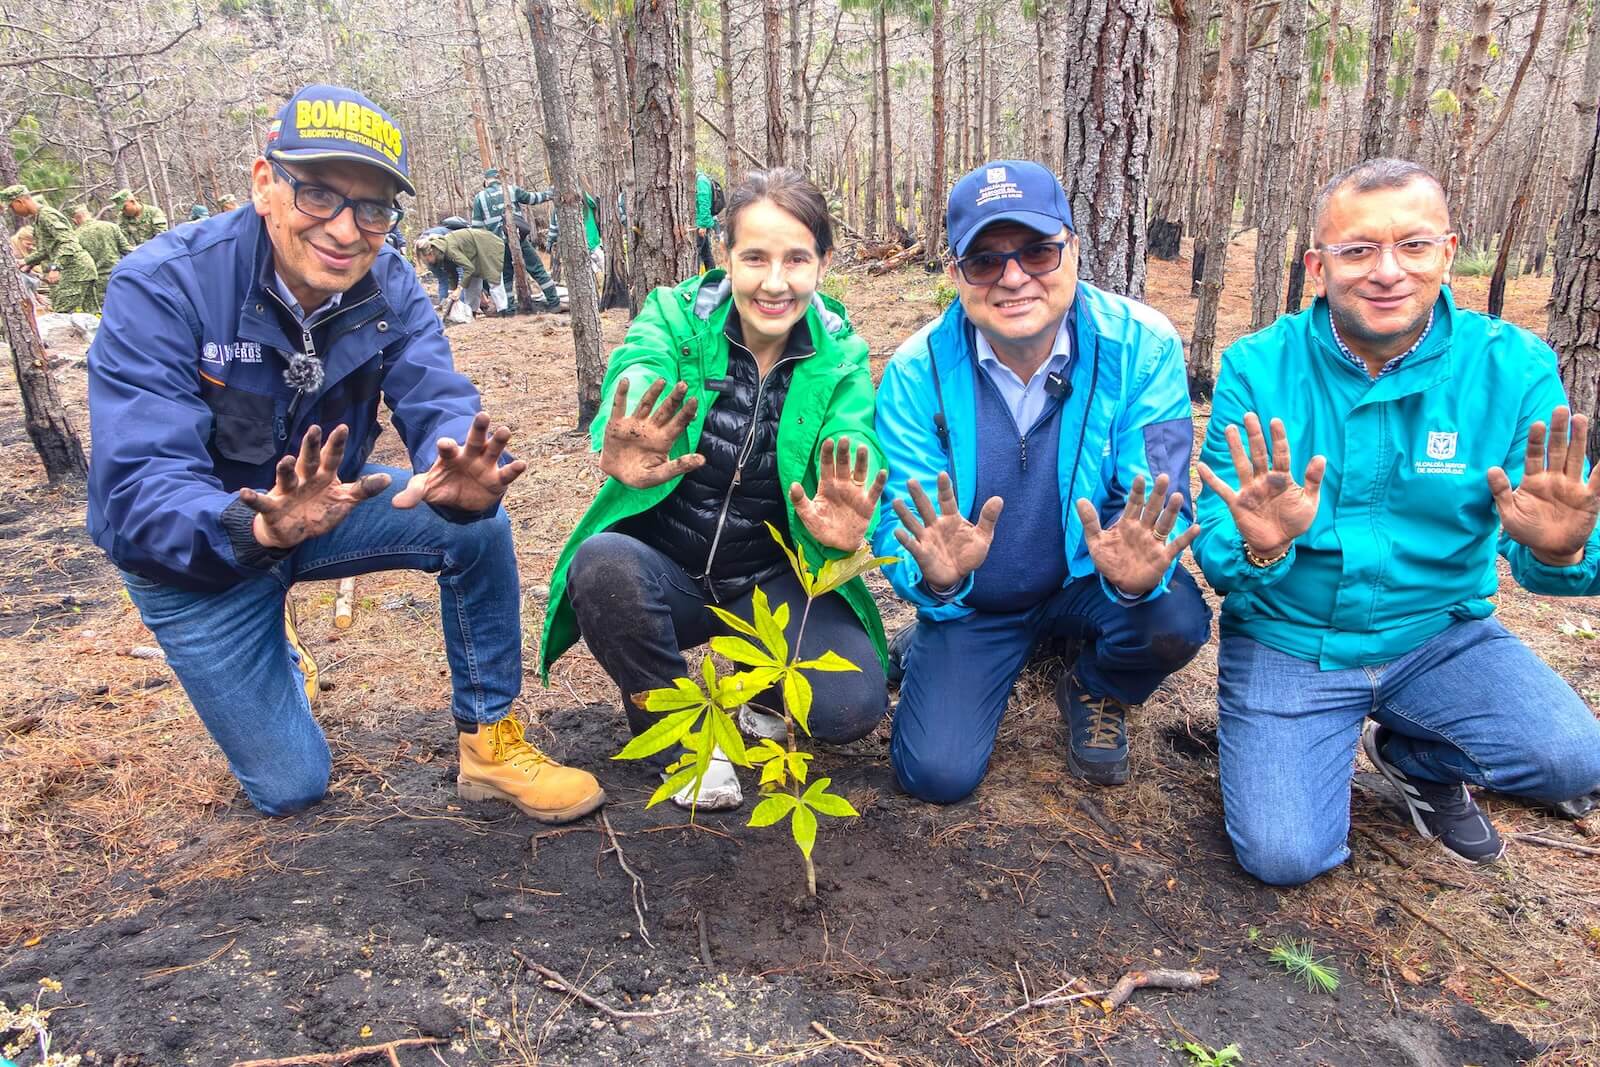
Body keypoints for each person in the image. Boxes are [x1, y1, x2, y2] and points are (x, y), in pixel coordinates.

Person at [85, 83, 605, 824]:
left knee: (475, 526)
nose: (345, 228)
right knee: (292, 786)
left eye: (372, 208)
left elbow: (433, 387)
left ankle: (489, 742)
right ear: (265, 183)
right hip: (197, 558)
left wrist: (453, 465)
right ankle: (277, 648)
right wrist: (256, 528)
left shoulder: (388, 281)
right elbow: (142, 485)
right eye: (320, 194)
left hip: (328, 511)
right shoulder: (166, 284)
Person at [1194, 158, 1600, 885]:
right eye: (1358, 250)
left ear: (1447, 252)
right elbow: (1222, 554)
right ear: (1318, 267)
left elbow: (1545, 550)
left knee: (1574, 755)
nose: (1388, 271)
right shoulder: (1259, 367)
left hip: (1441, 637)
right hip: (1293, 640)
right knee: (1286, 857)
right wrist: (1263, 549)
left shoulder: (1512, 368)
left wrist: (1566, 552)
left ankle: (1414, 759)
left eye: (1412, 245)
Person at [539, 168, 890, 811]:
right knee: (602, 567)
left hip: (766, 581)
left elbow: (853, 435)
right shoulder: (676, 317)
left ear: (824, 264)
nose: (775, 281)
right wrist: (625, 416)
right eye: (754, 257)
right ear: (724, 255)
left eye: (796, 259)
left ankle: (760, 695)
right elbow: (638, 362)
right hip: (666, 569)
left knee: (849, 709)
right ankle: (684, 734)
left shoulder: (841, 357)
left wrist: (846, 525)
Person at [873, 160, 1210, 804]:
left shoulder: (1143, 346)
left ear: (1074, 251)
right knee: (935, 776)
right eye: (985, 261)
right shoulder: (916, 372)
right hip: (977, 601)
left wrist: (1137, 574)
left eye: (1037, 251)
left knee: (1173, 619)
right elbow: (901, 523)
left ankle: (1096, 682)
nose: (1014, 277)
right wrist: (938, 578)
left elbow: (1155, 497)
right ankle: (940, 638)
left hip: (1089, 583)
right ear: (955, 275)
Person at [470, 168, 560, 313]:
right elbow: (533, 198)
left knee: (505, 276)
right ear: (500, 179)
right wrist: (550, 193)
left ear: (486, 181)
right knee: (537, 269)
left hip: (496, 244)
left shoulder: (479, 198)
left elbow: (476, 228)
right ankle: (554, 302)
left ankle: (510, 309)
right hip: (519, 240)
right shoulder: (512, 190)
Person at [3, 185, 101, 314]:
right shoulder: (38, 218)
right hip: (81, 268)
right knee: (92, 313)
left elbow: (67, 242)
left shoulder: (47, 215)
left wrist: (55, 268)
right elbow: (47, 249)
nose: (12, 211)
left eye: (11, 207)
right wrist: (25, 261)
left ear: (19, 202)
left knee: (61, 313)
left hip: (75, 269)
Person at [416, 226, 508, 319]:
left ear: (430, 253)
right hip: (473, 253)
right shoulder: (440, 252)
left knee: (494, 279)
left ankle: (502, 311)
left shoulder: (449, 249)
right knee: (471, 284)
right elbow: (452, 273)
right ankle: (471, 313)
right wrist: (453, 291)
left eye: (427, 259)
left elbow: (468, 268)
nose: (428, 262)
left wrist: (459, 289)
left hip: (487, 245)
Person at [71, 203, 136, 309]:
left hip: (96, 283)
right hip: (118, 277)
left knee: (104, 313)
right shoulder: (111, 227)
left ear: (74, 221)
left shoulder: (75, 236)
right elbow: (127, 250)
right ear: (89, 214)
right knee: (127, 308)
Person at [695, 171, 721, 272]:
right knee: (706, 253)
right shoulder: (702, 179)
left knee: (696, 253)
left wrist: (703, 225)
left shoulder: (701, 181)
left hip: (701, 223)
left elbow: (704, 203)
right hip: (702, 222)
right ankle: (713, 278)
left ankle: (695, 279)